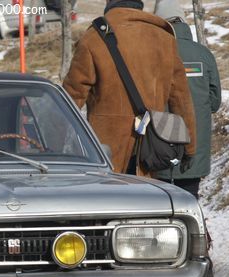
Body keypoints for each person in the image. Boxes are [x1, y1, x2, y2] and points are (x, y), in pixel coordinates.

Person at [62, 0, 197, 177]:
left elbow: (71, 98)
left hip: (107, 152)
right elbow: (181, 99)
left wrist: (50, 145)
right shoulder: (164, 39)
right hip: (150, 150)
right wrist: (190, 148)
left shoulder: (94, 38)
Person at [154, 0, 222, 199]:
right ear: (184, 21)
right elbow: (215, 101)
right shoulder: (203, 54)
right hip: (195, 147)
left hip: (159, 146)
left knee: (160, 204)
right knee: (189, 201)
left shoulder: (152, 54)